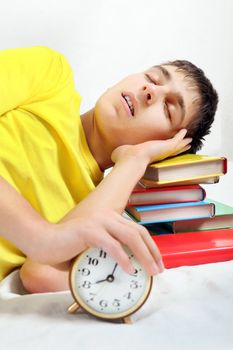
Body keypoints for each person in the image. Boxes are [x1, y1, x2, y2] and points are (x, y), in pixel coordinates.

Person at [0, 46, 218, 293]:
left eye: (168, 109)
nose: (150, 91)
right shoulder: (50, 74)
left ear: (165, 148)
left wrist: (134, 160)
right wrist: (41, 237)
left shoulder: (97, 208)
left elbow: (41, 274)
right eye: (152, 77)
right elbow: (46, 246)